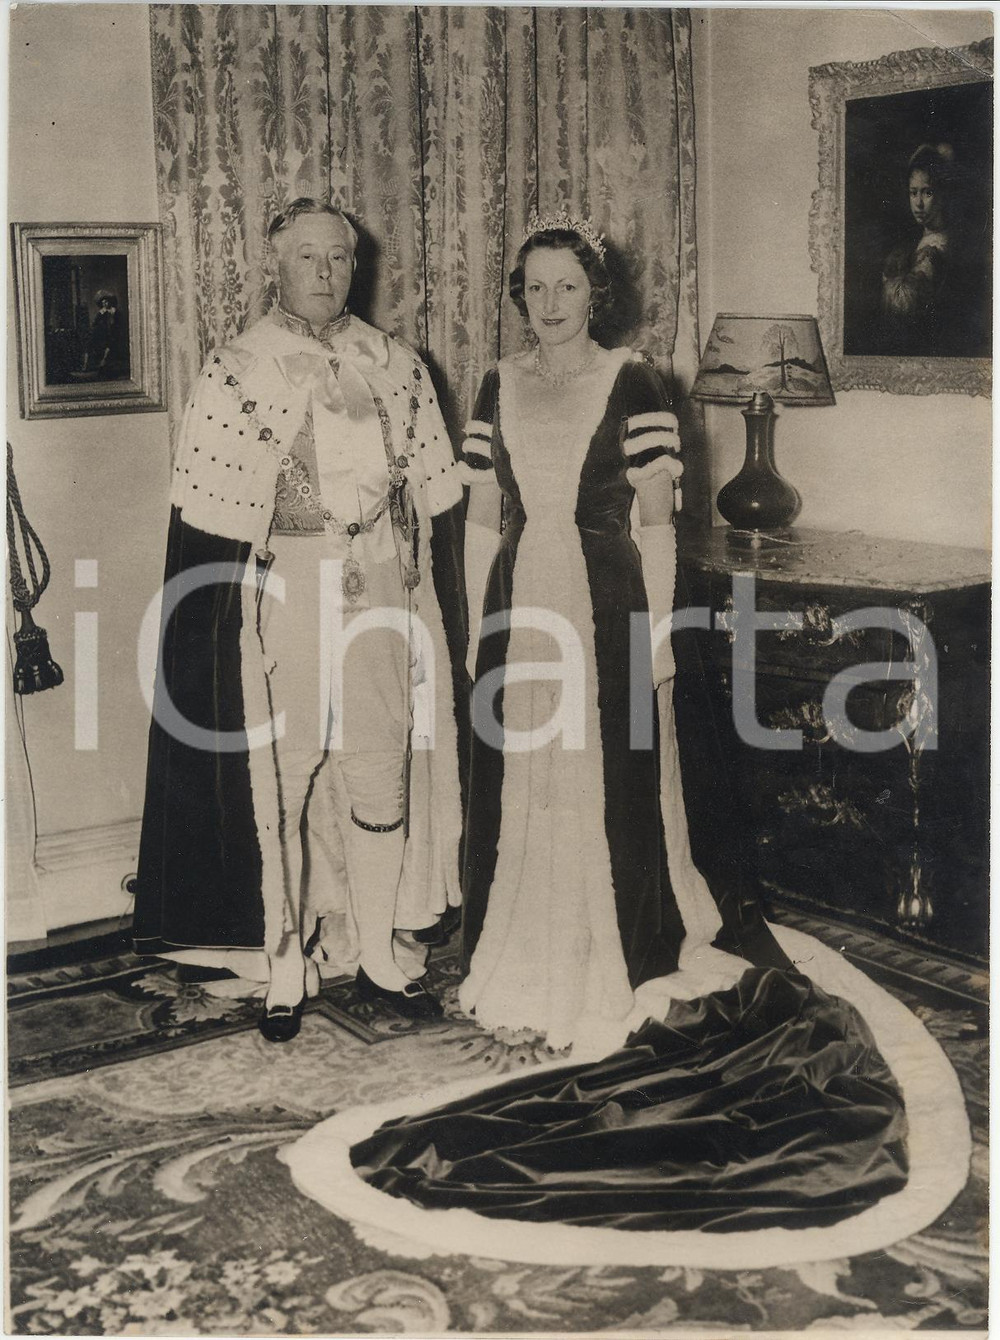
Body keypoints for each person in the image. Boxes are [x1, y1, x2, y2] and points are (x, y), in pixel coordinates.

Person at [280, 212, 969, 1265]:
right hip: (519, 603)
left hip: (607, 605)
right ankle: (517, 958)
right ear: (519, 296)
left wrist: (654, 646)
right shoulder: (497, 383)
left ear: (595, 294)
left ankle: (613, 957)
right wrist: (473, 636)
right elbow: (475, 519)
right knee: (523, 781)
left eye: (567, 287)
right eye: (535, 288)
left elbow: (654, 526)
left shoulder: (639, 385)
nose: (550, 304)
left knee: (604, 779)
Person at [133, 198, 466, 1040]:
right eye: (308, 258)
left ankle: (382, 950)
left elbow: (435, 501)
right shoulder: (237, 368)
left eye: (340, 258)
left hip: (381, 581)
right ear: (274, 266)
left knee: (378, 763)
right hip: (286, 587)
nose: (326, 274)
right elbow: (208, 523)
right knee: (281, 775)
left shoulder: (397, 363)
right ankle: (284, 958)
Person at [880, 142, 987, 358]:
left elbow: (904, 308)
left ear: (943, 195)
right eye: (913, 193)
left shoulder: (937, 248)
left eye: (928, 193)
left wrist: (889, 277)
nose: (918, 203)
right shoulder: (921, 241)